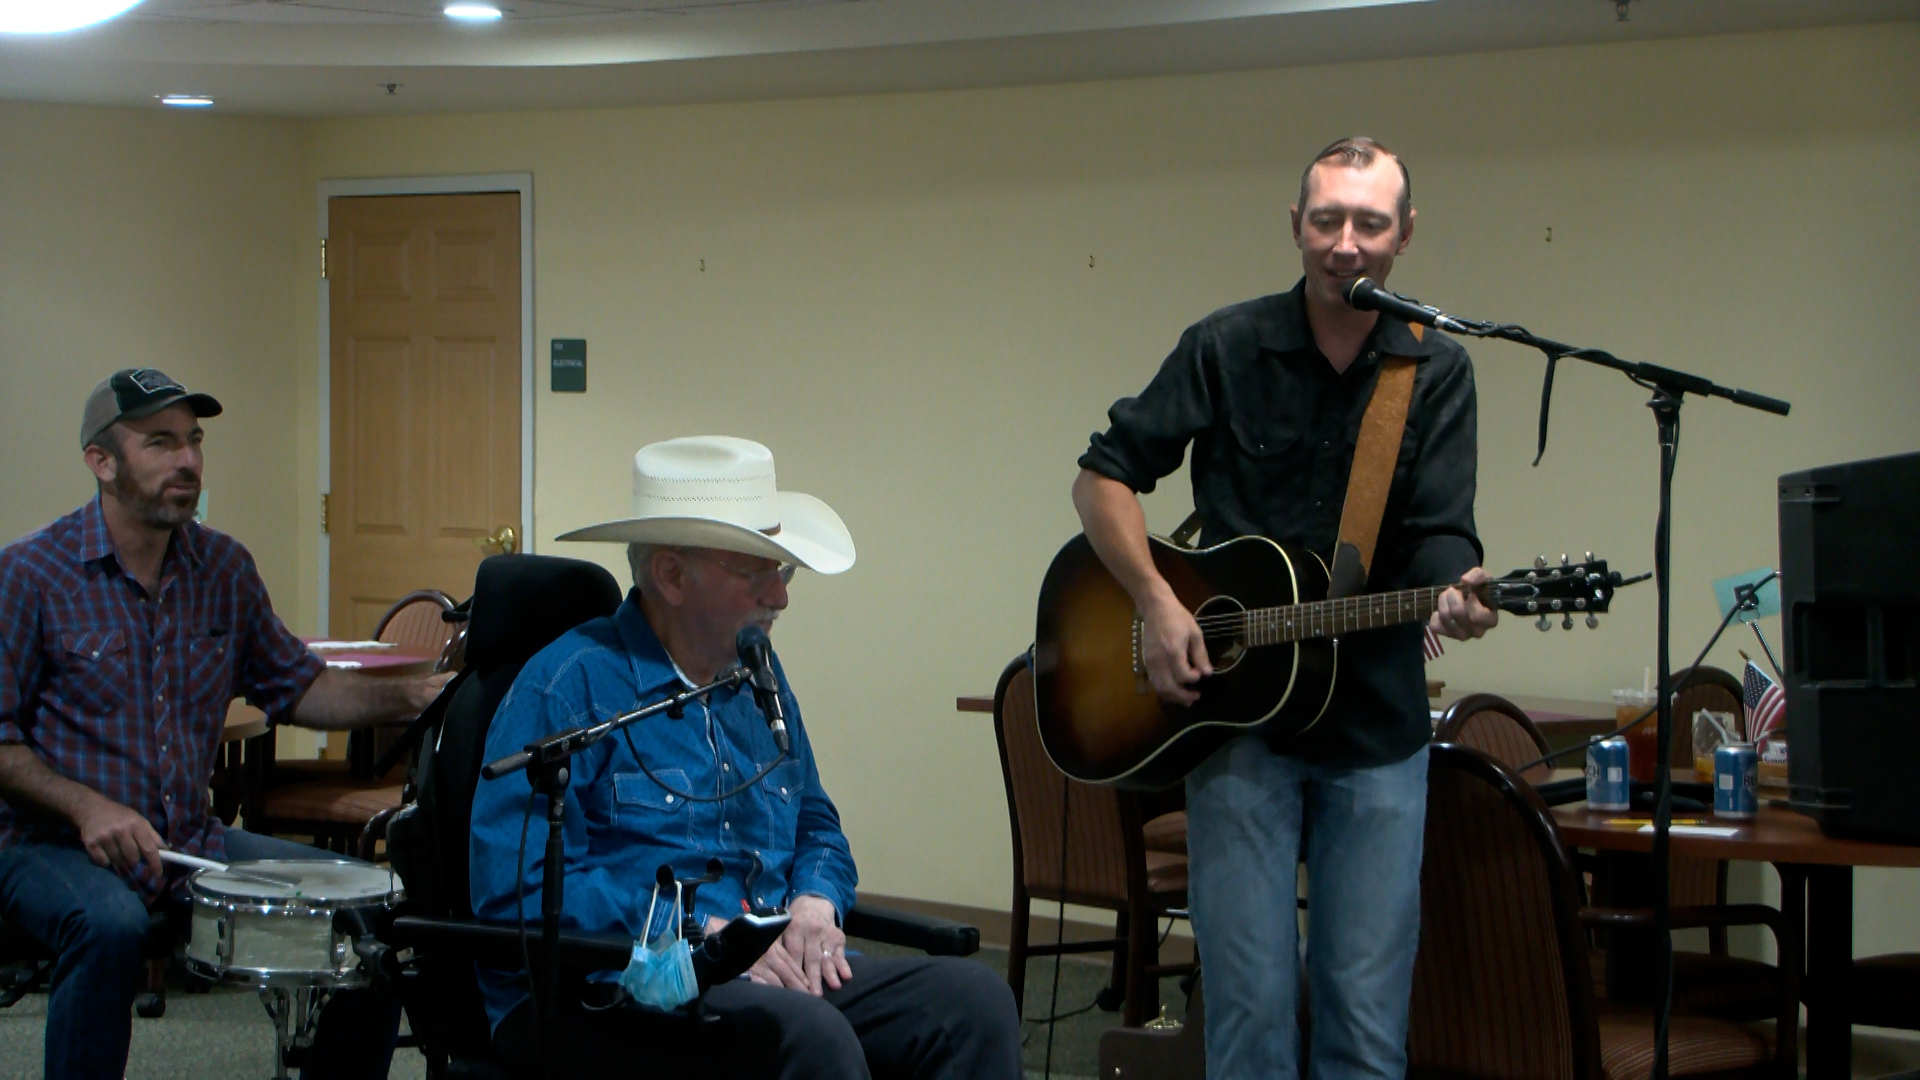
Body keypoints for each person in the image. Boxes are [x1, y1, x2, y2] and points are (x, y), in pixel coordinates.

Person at [1070, 137, 1499, 1078]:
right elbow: (1103, 478)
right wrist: (1156, 601)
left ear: (1406, 234)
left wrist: (1457, 589)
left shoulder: (1435, 372)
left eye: (1371, 224)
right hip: (1240, 734)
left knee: (1365, 1018)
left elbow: (1440, 531)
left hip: (1377, 730)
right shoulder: (1225, 346)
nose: (1347, 244)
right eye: (1327, 220)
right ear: (1295, 226)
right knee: (1251, 1015)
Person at [470, 435, 1021, 1079]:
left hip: (762, 966)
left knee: (976, 1005)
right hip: (609, 987)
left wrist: (817, 902)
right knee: (809, 1040)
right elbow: (521, 891)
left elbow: (815, 821)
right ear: (673, 575)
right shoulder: (568, 689)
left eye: (781, 571)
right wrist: (704, 932)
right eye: (757, 571)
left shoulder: (754, 673)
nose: (781, 596)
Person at [0, 368, 451, 1080]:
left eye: (194, 441)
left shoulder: (224, 568)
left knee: (373, 911)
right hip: (49, 846)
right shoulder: (31, 574)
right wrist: (89, 809)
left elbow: (299, 689)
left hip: (191, 843)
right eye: (160, 443)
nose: (187, 460)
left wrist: (417, 698)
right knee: (110, 925)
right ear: (102, 462)